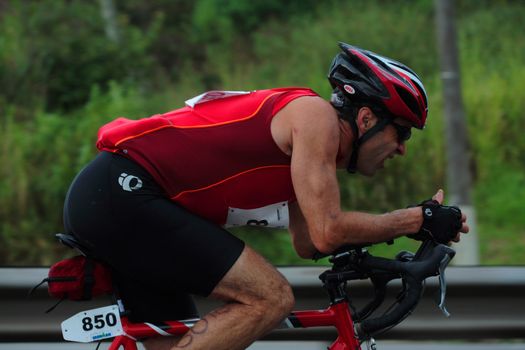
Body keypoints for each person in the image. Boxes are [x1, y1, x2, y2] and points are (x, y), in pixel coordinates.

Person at [63, 42, 468, 350]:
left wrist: (375, 245)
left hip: (123, 201)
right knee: (270, 297)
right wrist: (417, 220)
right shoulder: (315, 118)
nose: (402, 149)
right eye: (402, 132)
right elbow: (328, 231)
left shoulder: (307, 152)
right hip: (124, 193)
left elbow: (308, 241)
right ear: (366, 118)